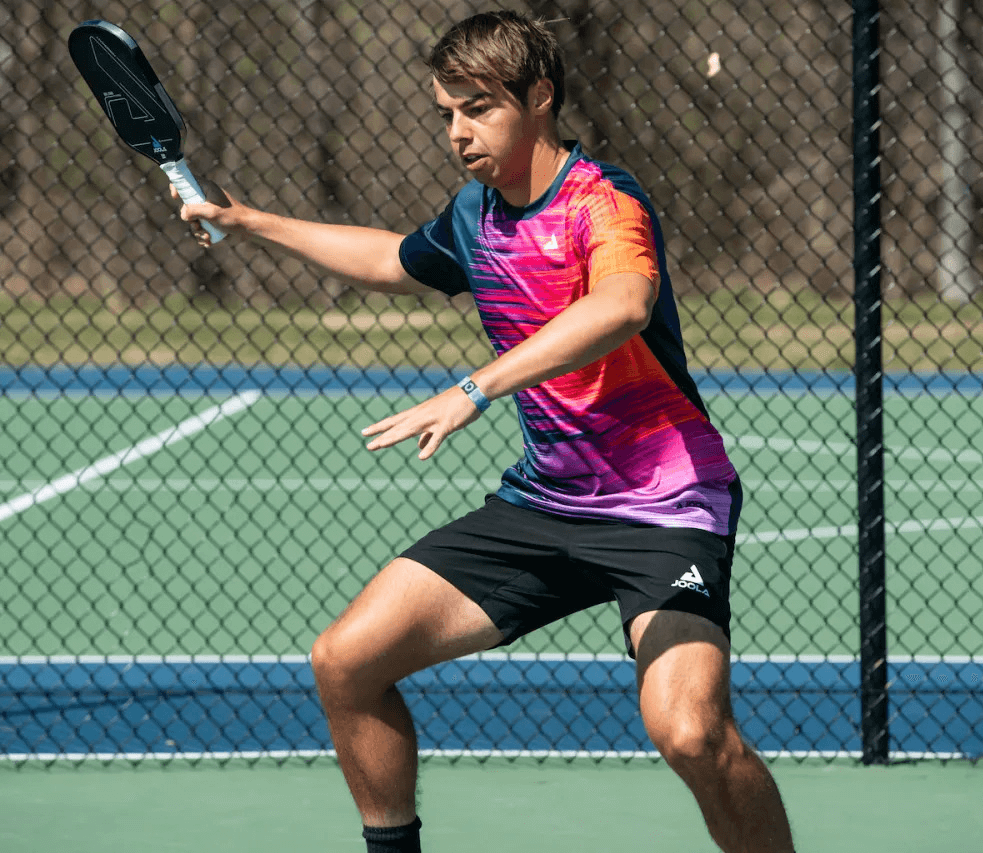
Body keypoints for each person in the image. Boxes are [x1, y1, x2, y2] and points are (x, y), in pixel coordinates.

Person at [178, 11, 794, 852]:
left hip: (666, 502)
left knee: (689, 732)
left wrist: (475, 389)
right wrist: (254, 222)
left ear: (539, 97)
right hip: (548, 502)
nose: (458, 132)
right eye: (446, 112)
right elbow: (394, 259)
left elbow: (621, 306)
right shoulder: (474, 216)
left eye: (478, 108)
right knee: (346, 661)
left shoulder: (604, 201)